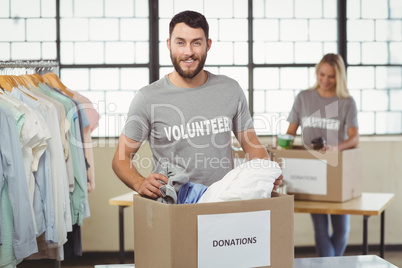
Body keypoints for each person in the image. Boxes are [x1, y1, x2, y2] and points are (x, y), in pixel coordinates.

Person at [112, 10, 282, 199]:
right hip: (173, 206)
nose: (188, 52)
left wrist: (265, 172)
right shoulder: (147, 98)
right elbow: (120, 159)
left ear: (208, 45)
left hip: (223, 202)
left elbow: (252, 146)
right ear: (169, 44)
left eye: (196, 42)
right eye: (180, 42)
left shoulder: (230, 89)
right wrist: (139, 182)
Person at [286, 53, 359, 257]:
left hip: (336, 169)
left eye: (331, 77)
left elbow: (354, 138)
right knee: (320, 228)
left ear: (340, 77)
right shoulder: (303, 98)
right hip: (311, 170)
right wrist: (281, 144)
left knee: (343, 230)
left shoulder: (346, 102)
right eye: (322, 75)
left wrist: (337, 148)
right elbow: (290, 132)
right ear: (317, 73)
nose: (325, 80)